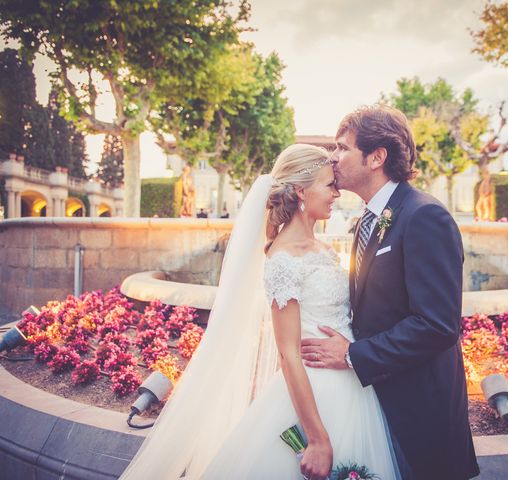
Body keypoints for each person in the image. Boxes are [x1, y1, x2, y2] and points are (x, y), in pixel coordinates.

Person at [119, 144, 400, 480]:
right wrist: (317, 438)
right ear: (299, 192)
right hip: (317, 395)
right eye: (328, 185)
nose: (337, 193)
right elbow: (287, 354)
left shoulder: (322, 248)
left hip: (352, 384)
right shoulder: (283, 258)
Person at [301, 105, 480, 480]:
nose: (333, 158)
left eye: (342, 148)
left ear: (376, 157)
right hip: (376, 401)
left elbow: (437, 324)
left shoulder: (425, 217)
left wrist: (353, 354)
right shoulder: (368, 217)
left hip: (419, 411)